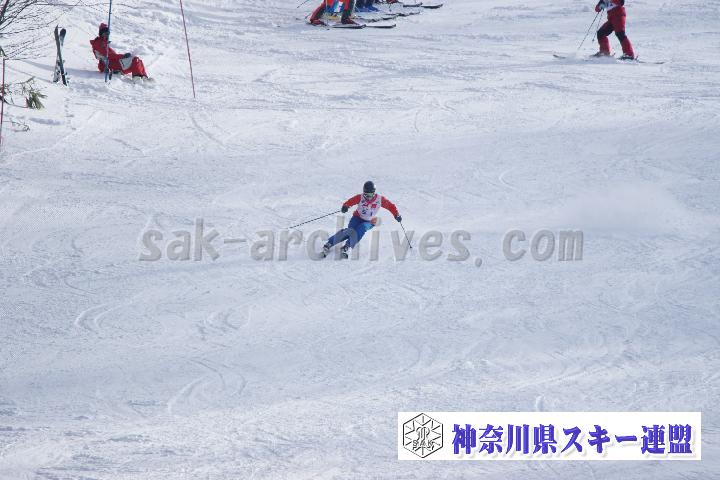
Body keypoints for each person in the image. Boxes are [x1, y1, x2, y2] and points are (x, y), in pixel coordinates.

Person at [322, 181, 402, 259]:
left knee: (362, 228)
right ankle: (329, 243)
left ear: (374, 193)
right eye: (366, 194)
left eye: (370, 194)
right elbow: (350, 201)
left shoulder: (380, 199)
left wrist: (396, 214)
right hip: (357, 218)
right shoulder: (360, 197)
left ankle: (347, 246)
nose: (368, 197)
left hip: (369, 221)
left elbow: (391, 206)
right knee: (350, 231)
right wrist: (345, 206)